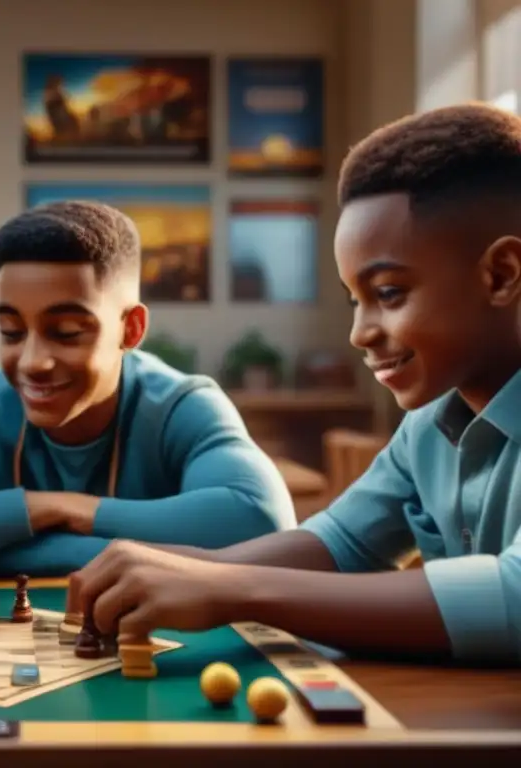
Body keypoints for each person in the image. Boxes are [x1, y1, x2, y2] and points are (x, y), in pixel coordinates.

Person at [69, 103, 521, 665]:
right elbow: (341, 544)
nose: (359, 333)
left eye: (389, 294)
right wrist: (182, 568)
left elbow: (514, 596)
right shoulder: (427, 425)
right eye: (354, 300)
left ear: (501, 275)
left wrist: (229, 590)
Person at [0, 201, 296, 579]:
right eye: (12, 331)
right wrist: (50, 508)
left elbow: (260, 524)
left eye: (67, 332)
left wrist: (62, 521)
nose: (33, 363)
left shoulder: (182, 406)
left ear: (130, 328)